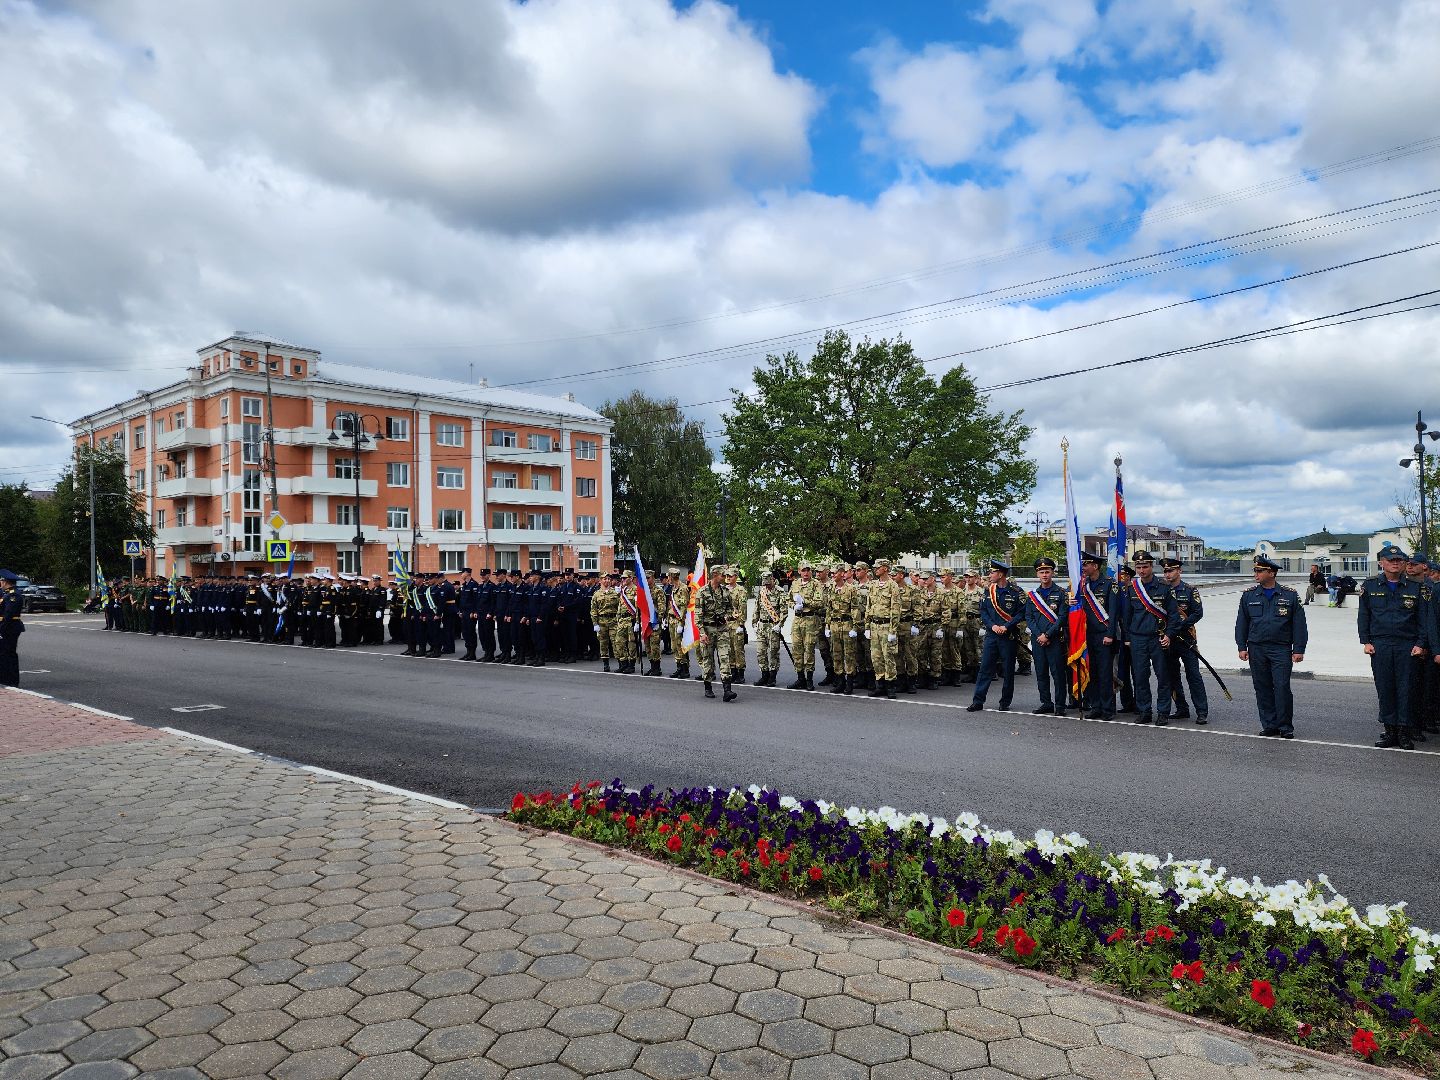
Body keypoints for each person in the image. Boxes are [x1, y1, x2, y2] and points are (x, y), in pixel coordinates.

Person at [1358, 544, 1426, 749]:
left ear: (1405, 563)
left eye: (1399, 560)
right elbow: (1364, 616)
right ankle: (1390, 731)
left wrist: (1421, 644)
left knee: (1406, 689)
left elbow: (1422, 619)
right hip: (1380, 645)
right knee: (1385, 688)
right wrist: (1366, 641)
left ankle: (1404, 732)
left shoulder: (1416, 587)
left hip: (1407, 645)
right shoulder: (1370, 586)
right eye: (1390, 560)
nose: (1395, 563)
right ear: (1381, 563)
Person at [1235, 554, 1307, 738]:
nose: (1255, 574)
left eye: (1259, 571)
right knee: (1262, 686)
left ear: (1272, 573)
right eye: (1255, 571)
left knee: (1282, 686)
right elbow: (1242, 623)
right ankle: (1269, 725)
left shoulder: (1289, 595)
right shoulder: (1249, 595)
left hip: (1280, 648)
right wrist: (1241, 646)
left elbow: (1299, 624)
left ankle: (1285, 726)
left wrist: (1299, 649)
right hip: (1256, 648)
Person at [1122, 551, 1179, 725]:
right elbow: (1127, 616)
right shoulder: (1131, 589)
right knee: (1140, 677)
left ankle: (1163, 712)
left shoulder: (1164, 587)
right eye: (1138, 567)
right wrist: (1128, 638)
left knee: (1163, 676)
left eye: (1145, 567)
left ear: (1151, 567)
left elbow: (1174, 616)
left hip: (1158, 638)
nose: (1141, 570)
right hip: (1138, 638)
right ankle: (1144, 710)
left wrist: (1169, 635)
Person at [967, 559, 1024, 712]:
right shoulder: (988, 591)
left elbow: (1021, 613)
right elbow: (983, 611)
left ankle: (1005, 702)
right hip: (992, 635)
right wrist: (992, 626)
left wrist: (1006, 626)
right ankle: (978, 701)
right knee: (985, 668)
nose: (989, 575)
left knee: (1008, 670)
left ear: (1000, 574)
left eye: (992, 572)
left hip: (1008, 635)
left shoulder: (1016, 591)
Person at [1161, 558, 1209, 724]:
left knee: (1193, 676)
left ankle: (1202, 711)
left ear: (1179, 571)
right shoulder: (1160, 590)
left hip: (1186, 639)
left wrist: (1180, 626)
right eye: (1165, 571)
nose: (1167, 574)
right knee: (1172, 676)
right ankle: (1181, 708)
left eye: (1171, 571)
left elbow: (1198, 613)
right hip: (1168, 640)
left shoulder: (1190, 590)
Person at [1076, 552, 1119, 720]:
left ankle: (1108, 709)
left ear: (1095, 566)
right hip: (1087, 635)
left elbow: (1114, 612)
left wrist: (1110, 634)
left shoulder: (1109, 584)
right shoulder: (1083, 585)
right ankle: (1096, 706)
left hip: (1103, 634)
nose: (1084, 567)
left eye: (1086, 564)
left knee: (1105, 673)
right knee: (1091, 671)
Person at [1024, 557, 1068, 715]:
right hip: (1038, 640)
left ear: (1052, 573)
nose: (1044, 575)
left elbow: (1063, 617)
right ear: (1037, 574)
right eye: (1041, 572)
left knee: (1058, 674)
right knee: (1041, 673)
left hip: (1055, 640)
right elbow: (1029, 617)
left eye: (1047, 571)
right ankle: (1046, 703)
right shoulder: (1032, 595)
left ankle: (1060, 705)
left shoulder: (1061, 593)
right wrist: (1039, 635)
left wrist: (1048, 635)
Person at [696, 565, 736, 701]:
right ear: (715, 575)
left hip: (722, 629)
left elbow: (730, 609)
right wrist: (702, 633)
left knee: (725, 658)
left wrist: (728, 616)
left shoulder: (725, 591)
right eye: (722, 575)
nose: (725, 578)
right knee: (708, 659)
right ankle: (708, 687)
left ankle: (727, 690)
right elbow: (698, 615)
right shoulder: (702, 592)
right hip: (708, 630)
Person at [865, 558, 901, 699]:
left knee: (888, 657)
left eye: (878, 567)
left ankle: (891, 686)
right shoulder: (873, 585)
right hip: (874, 625)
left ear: (885, 568)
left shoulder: (893, 586)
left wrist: (893, 630)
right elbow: (869, 607)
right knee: (876, 657)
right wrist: (867, 625)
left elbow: (895, 609)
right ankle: (880, 685)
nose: (876, 569)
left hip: (887, 626)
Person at [789, 561, 824, 690]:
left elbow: (820, 602)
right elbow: (788, 599)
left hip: (810, 619)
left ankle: (809, 679)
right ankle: (800, 678)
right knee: (797, 650)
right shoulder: (795, 583)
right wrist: (794, 605)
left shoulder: (816, 584)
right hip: (797, 619)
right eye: (803, 570)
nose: (806, 572)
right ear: (799, 571)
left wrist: (804, 603)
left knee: (809, 650)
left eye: (808, 570)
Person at [0, 570, 24, 687]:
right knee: (3, 653)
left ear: (6, 582)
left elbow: (8, 615)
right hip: (6, 627)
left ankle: (11, 681)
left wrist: (1, 629)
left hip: (10, 628)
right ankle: (4, 678)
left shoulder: (14, 595)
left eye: (1, 580)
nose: (0, 583)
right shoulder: (6, 593)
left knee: (9, 654)